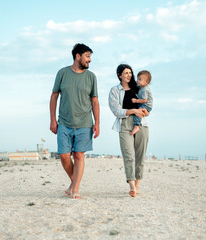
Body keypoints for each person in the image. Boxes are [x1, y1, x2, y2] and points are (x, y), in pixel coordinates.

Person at [49, 43, 100, 199]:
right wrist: (52, 120)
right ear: (78, 56)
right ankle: (74, 181)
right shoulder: (62, 73)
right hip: (64, 122)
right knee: (64, 156)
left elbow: (95, 101)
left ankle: (75, 189)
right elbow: (54, 96)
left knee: (78, 155)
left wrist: (97, 123)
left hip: (85, 123)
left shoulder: (91, 77)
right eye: (87, 56)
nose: (89, 60)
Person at [108, 64, 149, 197]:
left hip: (141, 123)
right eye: (125, 73)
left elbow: (148, 101)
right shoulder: (114, 90)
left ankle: (137, 185)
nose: (129, 75)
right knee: (129, 156)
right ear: (119, 75)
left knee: (140, 156)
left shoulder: (139, 88)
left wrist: (145, 111)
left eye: (130, 72)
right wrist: (134, 110)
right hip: (125, 123)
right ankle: (131, 186)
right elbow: (116, 111)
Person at [130, 70, 153, 135]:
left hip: (146, 105)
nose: (137, 81)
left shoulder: (145, 89)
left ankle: (136, 126)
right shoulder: (141, 87)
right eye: (137, 79)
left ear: (146, 82)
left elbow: (144, 100)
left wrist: (135, 101)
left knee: (138, 112)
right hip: (144, 104)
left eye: (140, 79)